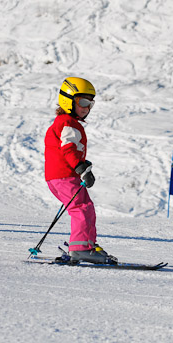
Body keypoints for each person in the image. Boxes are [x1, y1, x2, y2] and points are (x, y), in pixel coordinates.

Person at [44, 77, 116, 264]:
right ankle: (81, 248)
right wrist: (81, 167)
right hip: (65, 176)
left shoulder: (64, 122)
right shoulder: (68, 123)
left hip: (60, 177)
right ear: (68, 100)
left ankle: (87, 244)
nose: (87, 108)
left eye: (90, 103)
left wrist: (81, 163)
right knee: (81, 208)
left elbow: (69, 149)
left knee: (86, 207)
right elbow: (68, 148)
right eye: (83, 102)